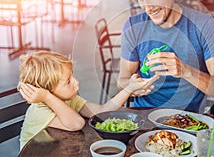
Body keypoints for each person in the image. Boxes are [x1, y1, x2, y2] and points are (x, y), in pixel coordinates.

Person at [118, 0, 214, 112]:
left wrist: (186, 71)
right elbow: (122, 80)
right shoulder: (133, 27)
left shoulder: (204, 24)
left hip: (188, 119)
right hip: (143, 117)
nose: (147, 7)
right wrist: (132, 87)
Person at [18, 51, 158, 150]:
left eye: (73, 76)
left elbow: (101, 111)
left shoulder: (70, 99)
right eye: (68, 81)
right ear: (47, 91)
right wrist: (47, 97)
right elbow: (76, 124)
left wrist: (129, 89)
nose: (76, 82)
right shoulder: (39, 110)